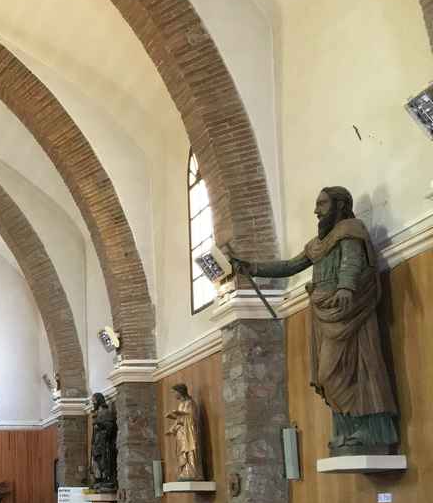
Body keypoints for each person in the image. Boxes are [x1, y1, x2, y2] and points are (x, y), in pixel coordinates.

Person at [229, 187, 398, 455]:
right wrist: (253, 268)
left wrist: (345, 288)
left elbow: (352, 262)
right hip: (324, 311)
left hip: (348, 309)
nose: (316, 210)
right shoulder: (317, 244)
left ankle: (368, 429)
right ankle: (347, 428)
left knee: (352, 369)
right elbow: (290, 266)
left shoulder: (350, 230)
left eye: (322, 204)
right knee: (329, 374)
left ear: (340, 205)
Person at [164, 383, 200, 481]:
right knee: (181, 452)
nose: (174, 395)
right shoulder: (181, 404)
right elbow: (178, 420)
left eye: (175, 393)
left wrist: (182, 415)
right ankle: (185, 471)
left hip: (189, 432)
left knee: (189, 451)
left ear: (180, 392)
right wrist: (172, 430)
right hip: (181, 433)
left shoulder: (190, 403)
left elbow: (192, 418)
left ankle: (192, 471)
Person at [89, 392, 117, 491]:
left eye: (94, 401)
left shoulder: (105, 412)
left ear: (99, 401)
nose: (93, 404)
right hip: (97, 443)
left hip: (103, 443)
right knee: (97, 462)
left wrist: (100, 425)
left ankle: (106, 479)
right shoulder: (98, 413)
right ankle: (99, 479)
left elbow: (110, 427)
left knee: (104, 461)